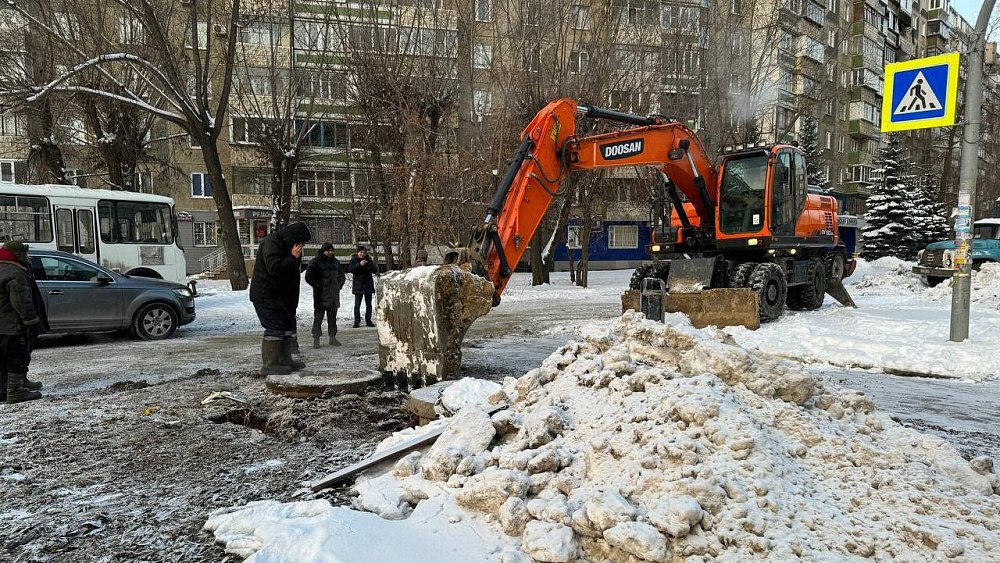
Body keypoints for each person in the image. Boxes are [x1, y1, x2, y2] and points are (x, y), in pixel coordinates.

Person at [249, 222, 311, 375]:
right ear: (294, 238)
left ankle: (284, 360)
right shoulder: (271, 243)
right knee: (275, 328)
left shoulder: (289, 245)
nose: (302, 245)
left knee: (286, 328)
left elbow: (291, 272)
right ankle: (270, 365)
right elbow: (274, 268)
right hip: (266, 295)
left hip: (282, 296)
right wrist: (292, 257)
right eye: (301, 242)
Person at [0, 241, 43, 404]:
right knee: (17, 358)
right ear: (19, 254)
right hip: (12, 326)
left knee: (2, 360)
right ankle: (16, 392)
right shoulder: (15, 273)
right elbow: (21, 302)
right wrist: (32, 322)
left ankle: (3, 390)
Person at [305, 243, 346, 348]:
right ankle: (316, 339)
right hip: (320, 295)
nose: (330, 252)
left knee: (332, 318)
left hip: (333, 295)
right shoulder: (315, 262)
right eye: (328, 250)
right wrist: (318, 286)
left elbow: (342, 276)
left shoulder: (336, 262)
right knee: (318, 318)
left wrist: (338, 286)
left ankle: (332, 338)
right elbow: (308, 276)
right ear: (323, 251)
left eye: (332, 250)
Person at [347, 245, 377, 328]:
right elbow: (350, 269)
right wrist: (359, 264)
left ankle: (368, 321)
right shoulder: (354, 260)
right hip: (358, 286)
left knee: (369, 305)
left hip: (368, 285)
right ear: (358, 253)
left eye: (364, 252)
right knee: (357, 305)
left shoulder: (369, 260)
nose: (362, 254)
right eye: (361, 252)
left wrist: (369, 264)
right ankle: (357, 322)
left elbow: (375, 270)